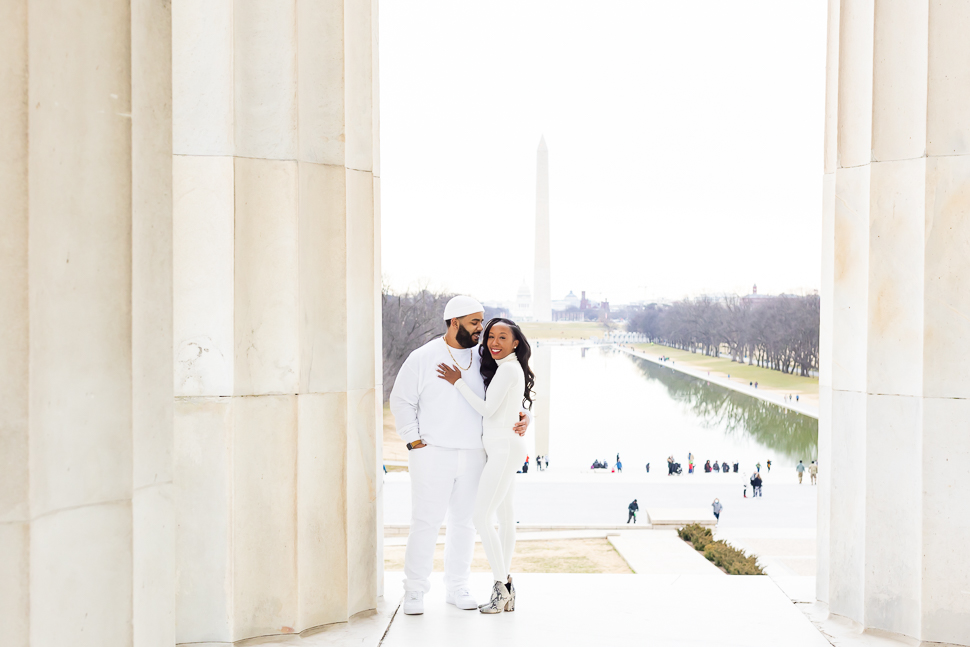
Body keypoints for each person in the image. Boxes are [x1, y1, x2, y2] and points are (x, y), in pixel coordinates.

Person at [391, 298, 531, 616]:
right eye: (474, 323)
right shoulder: (423, 357)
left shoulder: (486, 358)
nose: (482, 330)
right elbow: (401, 400)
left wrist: (526, 416)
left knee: (465, 523)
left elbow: (511, 393)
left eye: (481, 322)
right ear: (454, 322)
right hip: (432, 452)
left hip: (476, 453)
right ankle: (414, 590)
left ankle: (457, 586)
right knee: (426, 522)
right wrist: (413, 441)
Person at [437, 317, 536, 614]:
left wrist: (457, 383)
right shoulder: (509, 368)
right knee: (505, 518)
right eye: (491, 336)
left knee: (481, 516)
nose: (494, 342)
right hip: (504, 448)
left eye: (502, 337)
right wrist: (524, 415)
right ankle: (507, 587)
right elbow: (506, 407)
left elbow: (488, 409)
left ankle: (500, 588)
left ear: (516, 342)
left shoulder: (507, 370)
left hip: (504, 448)